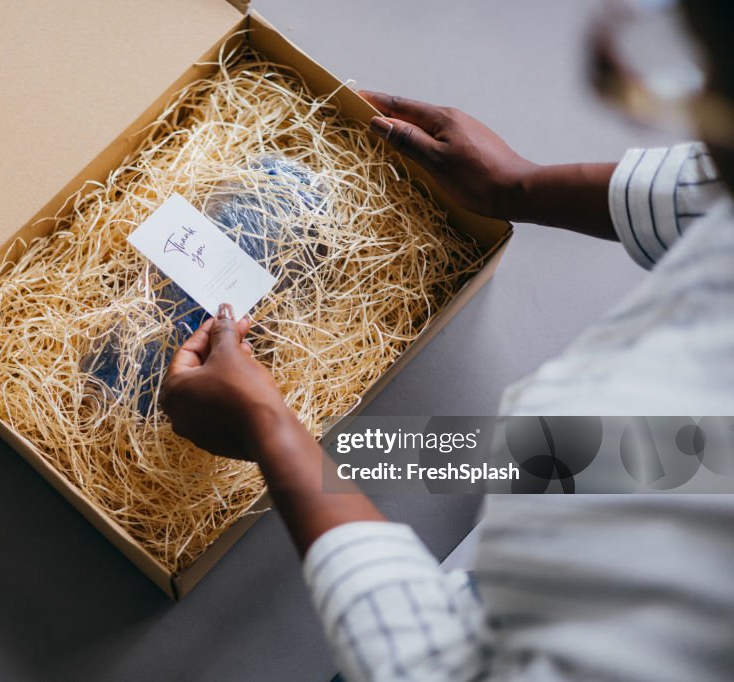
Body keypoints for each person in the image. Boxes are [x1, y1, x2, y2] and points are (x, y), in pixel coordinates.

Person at [159, 1, 734, 680]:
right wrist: (517, 186)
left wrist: (270, 430)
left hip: (512, 627)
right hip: (653, 450)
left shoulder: (694, 585)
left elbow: (432, 667)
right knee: (477, 454)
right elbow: (710, 195)